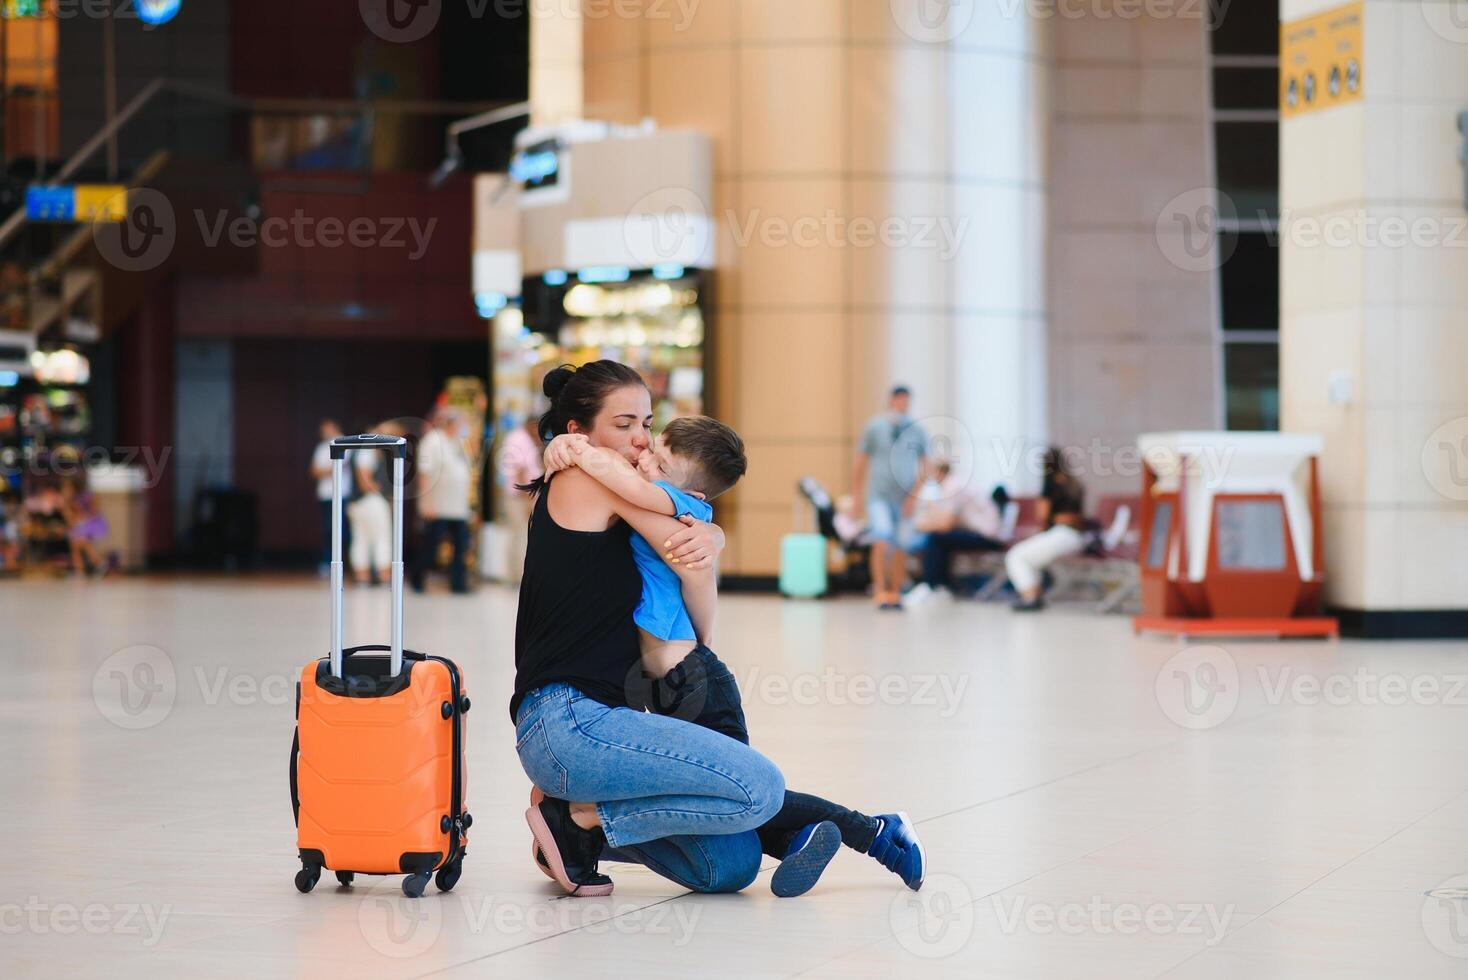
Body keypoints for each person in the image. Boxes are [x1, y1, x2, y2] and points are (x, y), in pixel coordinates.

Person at [542, 418, 926, 896]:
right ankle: (793, 839)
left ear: (696, 496)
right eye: (652, 449)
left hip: (696, 682)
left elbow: (625, 487)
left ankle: (875, 833)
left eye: (660, 463)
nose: (645, 460)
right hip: (665, 688)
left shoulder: (679, 509)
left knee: (739, 789)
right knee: (716, 792)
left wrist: (572, 447)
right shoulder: (659, 501)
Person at [513, 361, 785, 897]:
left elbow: (691, 557)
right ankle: (576, 819)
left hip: (601, 723)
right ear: (579, 432)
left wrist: (712, 534)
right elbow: (687, 546)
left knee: (730, 865)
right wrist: (707, 531)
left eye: (647, 422)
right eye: (623, 425)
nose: (641, 440)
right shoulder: (584, 478)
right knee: (760, 789)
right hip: (567, 721)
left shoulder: (626, 498)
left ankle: (575, 827)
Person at [852, 385, 929, 610]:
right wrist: (856, 496)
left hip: (904, 499)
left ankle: (896, 591)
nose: (903, 405)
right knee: (882, 536)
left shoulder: (917, 431)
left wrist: (914, 497)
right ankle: (880, 589)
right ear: (891, 401)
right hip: (879, 496)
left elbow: (926, 466)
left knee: (901, 545)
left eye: (907, 401)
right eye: (899, 401)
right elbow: (860, 463)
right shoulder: (874, 428)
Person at [905, 463, 1010, 606]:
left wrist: (920, 526)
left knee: (935, 538)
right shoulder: (951, 486)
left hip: (989, 537)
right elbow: (944, 518)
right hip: (981, 533)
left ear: (939, 471)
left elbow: (946, 523)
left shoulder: (952, 486)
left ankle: (933, 586)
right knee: (940, 539)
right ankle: (942, 586)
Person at [1006, 448, 1086, 612]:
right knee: (1031, 559)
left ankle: (1031, 597)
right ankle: (1036, 594)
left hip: (1059, 535)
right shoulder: (1075, 485)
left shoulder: (1049, 485)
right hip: (1077, 538)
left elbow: (1042, 515)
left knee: (1016, 556)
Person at [412, 409, 472, 595]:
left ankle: (458, 583)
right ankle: (417, 578)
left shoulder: (458, 442)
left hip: (458, 507)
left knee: (461, 546)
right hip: (438, 505)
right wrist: (425, 502)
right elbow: (425, 474)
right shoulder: (432, 441)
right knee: (432, 546)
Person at [498, 415, 542, 586]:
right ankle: (517, 577)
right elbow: (520, 471)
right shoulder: (519, 439)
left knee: (517, 536)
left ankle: (514, 575)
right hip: (519, 498)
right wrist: (528, 500)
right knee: (520, 537)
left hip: (520, 497)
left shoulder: (522, 438)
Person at [347, 424, 392, 586]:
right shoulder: (366, 449)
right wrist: (380, 490)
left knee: (361, 539)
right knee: (381, 538)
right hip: (370, 500)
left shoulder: (359, 449)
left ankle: (363, 576)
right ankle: (383, 575)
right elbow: (364, 480)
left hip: (358, 503)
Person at [310, 419, 350, 577]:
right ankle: (328, 562)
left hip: (341, 494)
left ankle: (343, 562)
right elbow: (314, 471)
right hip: (325, 495)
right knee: (327, 530)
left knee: (341, 530)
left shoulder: (345, 442)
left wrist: (325, 470)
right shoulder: (321, 447)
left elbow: (339, 467)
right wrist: (328, 470)